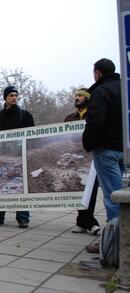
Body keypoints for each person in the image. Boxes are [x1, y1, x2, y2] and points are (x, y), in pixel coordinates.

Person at [82, 58, 123, 253]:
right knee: (122, 193)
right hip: (124, 148)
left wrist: (88, 144)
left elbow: (95, 121)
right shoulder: (124, 88)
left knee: (113, 196)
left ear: (98, 72)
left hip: (106, 149)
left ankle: (115, 242)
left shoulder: (101, 91)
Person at [0, 86, 34, 229]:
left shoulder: (25, 116)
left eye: (16, 95)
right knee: (2, 185)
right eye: (11, 95)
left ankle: (23, 218)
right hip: (2, 157)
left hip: (20, 157)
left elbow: (32, 136)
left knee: (21, 187)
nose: (14, 97)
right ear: (5, 97)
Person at [64, 88, 100, 235]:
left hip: (91, 158)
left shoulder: (94, 115)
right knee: (78, 188)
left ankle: (88, 222)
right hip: (74, 158)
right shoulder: (69, 118)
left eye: (81, 96)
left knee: (90, 190)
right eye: (76, 95)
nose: (77, 98)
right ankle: (83, 222)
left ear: (87, 99)